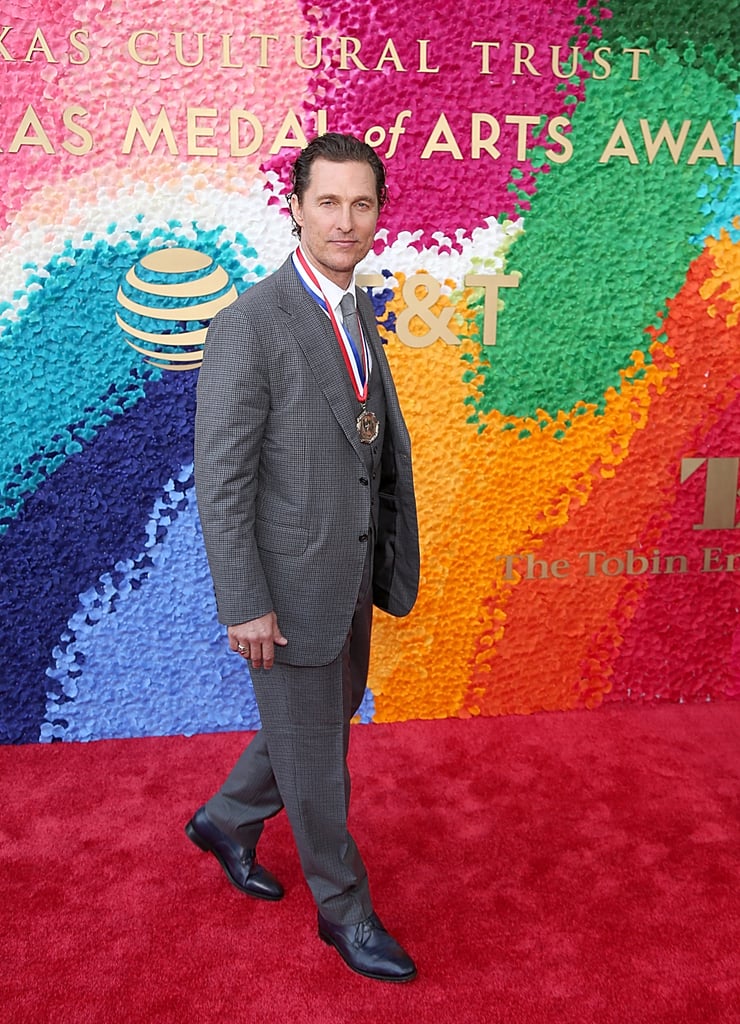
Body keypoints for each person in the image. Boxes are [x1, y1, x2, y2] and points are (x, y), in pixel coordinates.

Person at [186, 133, 420, 983]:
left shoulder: (356, 307)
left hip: (345, 576)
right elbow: (222, 480)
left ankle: (225, 819)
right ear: (295, 207)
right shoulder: (252, 323)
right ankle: (345, 913)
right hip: (282, 591)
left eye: (362, 204)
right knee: (321, 758)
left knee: (313, 721)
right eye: (328, 202)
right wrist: (244, 601)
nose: (345, 220)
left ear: (376, 214)